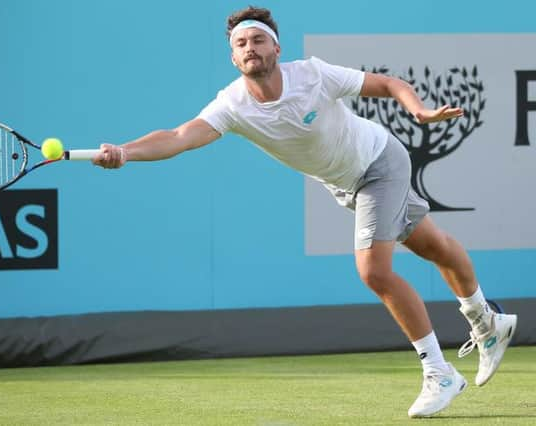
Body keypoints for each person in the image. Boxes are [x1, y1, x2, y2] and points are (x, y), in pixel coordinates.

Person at [92, 6, 517, 418]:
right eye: (241, 43)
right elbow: (180, 136)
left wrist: (418, 110)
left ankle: (438, 372)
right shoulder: (233, 105)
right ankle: (486, 321)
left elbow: (387, 84)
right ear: (233, 56)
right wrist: (126, 152)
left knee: (373, 270)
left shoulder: (312, 75)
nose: (250, 47)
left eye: (258, 39)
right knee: (433, 246)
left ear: (276, 48)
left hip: (380, 161)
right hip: (346, 183)